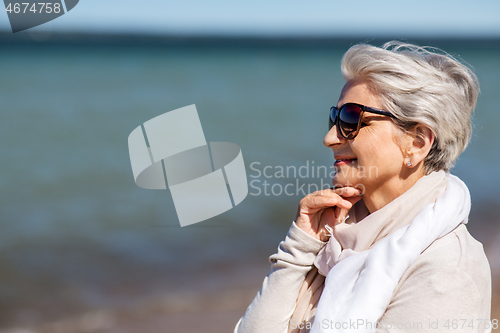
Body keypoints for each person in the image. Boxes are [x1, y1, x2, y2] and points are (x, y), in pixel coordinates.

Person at [234, 41, 492, 333]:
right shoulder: (335, 237)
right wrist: (299, 247)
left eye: (351, 119)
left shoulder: (445, 274)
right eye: (336, 117)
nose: (330, 137)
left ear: (417, 143)